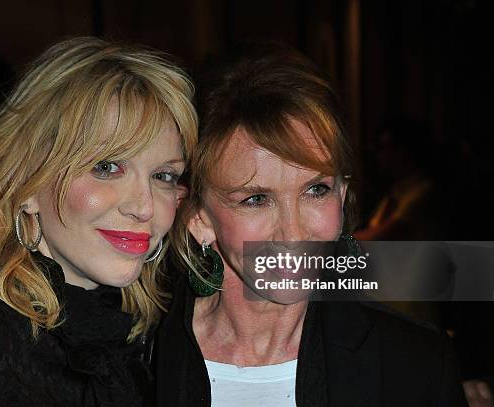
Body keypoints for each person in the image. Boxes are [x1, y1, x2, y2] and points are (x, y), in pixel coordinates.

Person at [0, 37, 197, 406]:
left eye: (163, 175)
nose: (144, 207)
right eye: (107, 167)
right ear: (27, 183)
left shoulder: (135, 333)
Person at [154, 44, 468, 406]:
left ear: (343, 193)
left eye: (316, 190)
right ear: (199, 219)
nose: (294, 233)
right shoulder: (136, 359)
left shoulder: (415, 366)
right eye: (256, 199)